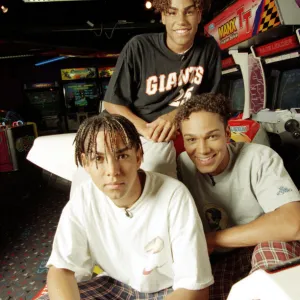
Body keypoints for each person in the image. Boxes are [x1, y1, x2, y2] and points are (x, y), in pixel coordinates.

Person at [39, 113, 214, 300]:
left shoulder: (174, 195)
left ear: (138, 156)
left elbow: (195, 289)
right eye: (98, 159)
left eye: (122, 155)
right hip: (115, 285)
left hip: (169, 290)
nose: (113, 171)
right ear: (85, 163)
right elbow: (61, 268)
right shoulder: (84, 197)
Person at [175, 93, 300, 300]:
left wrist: (214, 239)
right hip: (219, 261)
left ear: (227, 133)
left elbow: (293, 223)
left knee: (269, 253)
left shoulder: (259, 158)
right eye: (191, 140)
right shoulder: (180, 166)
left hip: (261, 246)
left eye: (212, 136)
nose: (202, 149)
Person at [103, 0, 221, 178]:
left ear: (199, 15)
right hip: (132, 130)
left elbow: (211, 99)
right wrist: (145, 129)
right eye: (172, 13)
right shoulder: (139, 47)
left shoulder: (208, 48)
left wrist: (175, 116)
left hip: (172, 135)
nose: (181, 20)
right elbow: (111, 103)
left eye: (189, 12)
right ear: (163, 17)